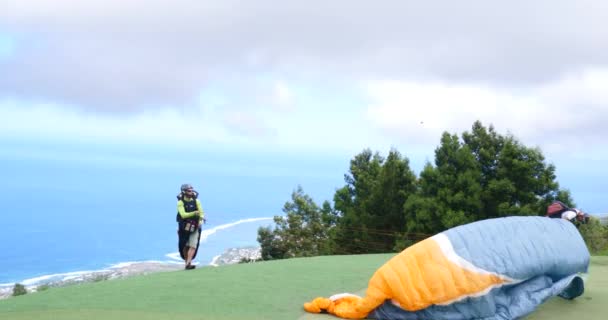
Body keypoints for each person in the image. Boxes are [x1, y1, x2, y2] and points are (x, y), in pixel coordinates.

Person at [176, 183, 205, 270]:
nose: (191, 192)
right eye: (189, 191)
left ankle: (188, 263)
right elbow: (183, 215)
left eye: (192, 190)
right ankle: (186, 263)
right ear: (184, 192)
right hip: (183, 227)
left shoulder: (197, 201)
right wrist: (194, 213)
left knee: (193, 245)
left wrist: (200, 220)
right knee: (184, 245)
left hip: (195, 226)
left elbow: (201, 213)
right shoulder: (180, 202)